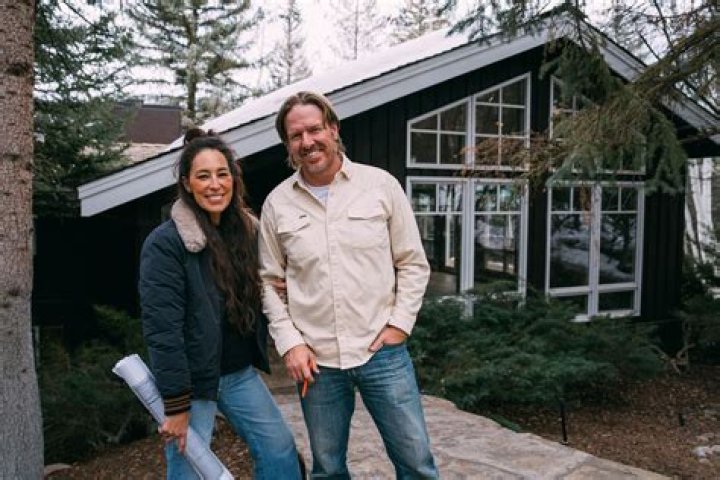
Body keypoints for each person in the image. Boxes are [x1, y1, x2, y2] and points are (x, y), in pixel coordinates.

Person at [259, 91, 439, 479]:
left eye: (314, 129)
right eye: (295, 135)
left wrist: (399, 324)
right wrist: (290, 343)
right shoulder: (277, 204)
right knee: (327, 469)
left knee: (416, 463)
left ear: (333, 129)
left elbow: (412, 262)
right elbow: (269, 282)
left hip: (382, 353)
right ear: (287, 144)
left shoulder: (380, 186)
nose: (307, 142)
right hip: (316, 362)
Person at [139, 128, 301, 479]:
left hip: (238, 373)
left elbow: (267, 285)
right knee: (189, 470)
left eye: (222, 174)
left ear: (233, 179)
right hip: (193, 382)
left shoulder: (246, 232)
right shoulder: (166, 244)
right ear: (187, 183)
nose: (215, 184)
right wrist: (176, 404)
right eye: (203, 176)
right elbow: (162, 331)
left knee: (279, 450)